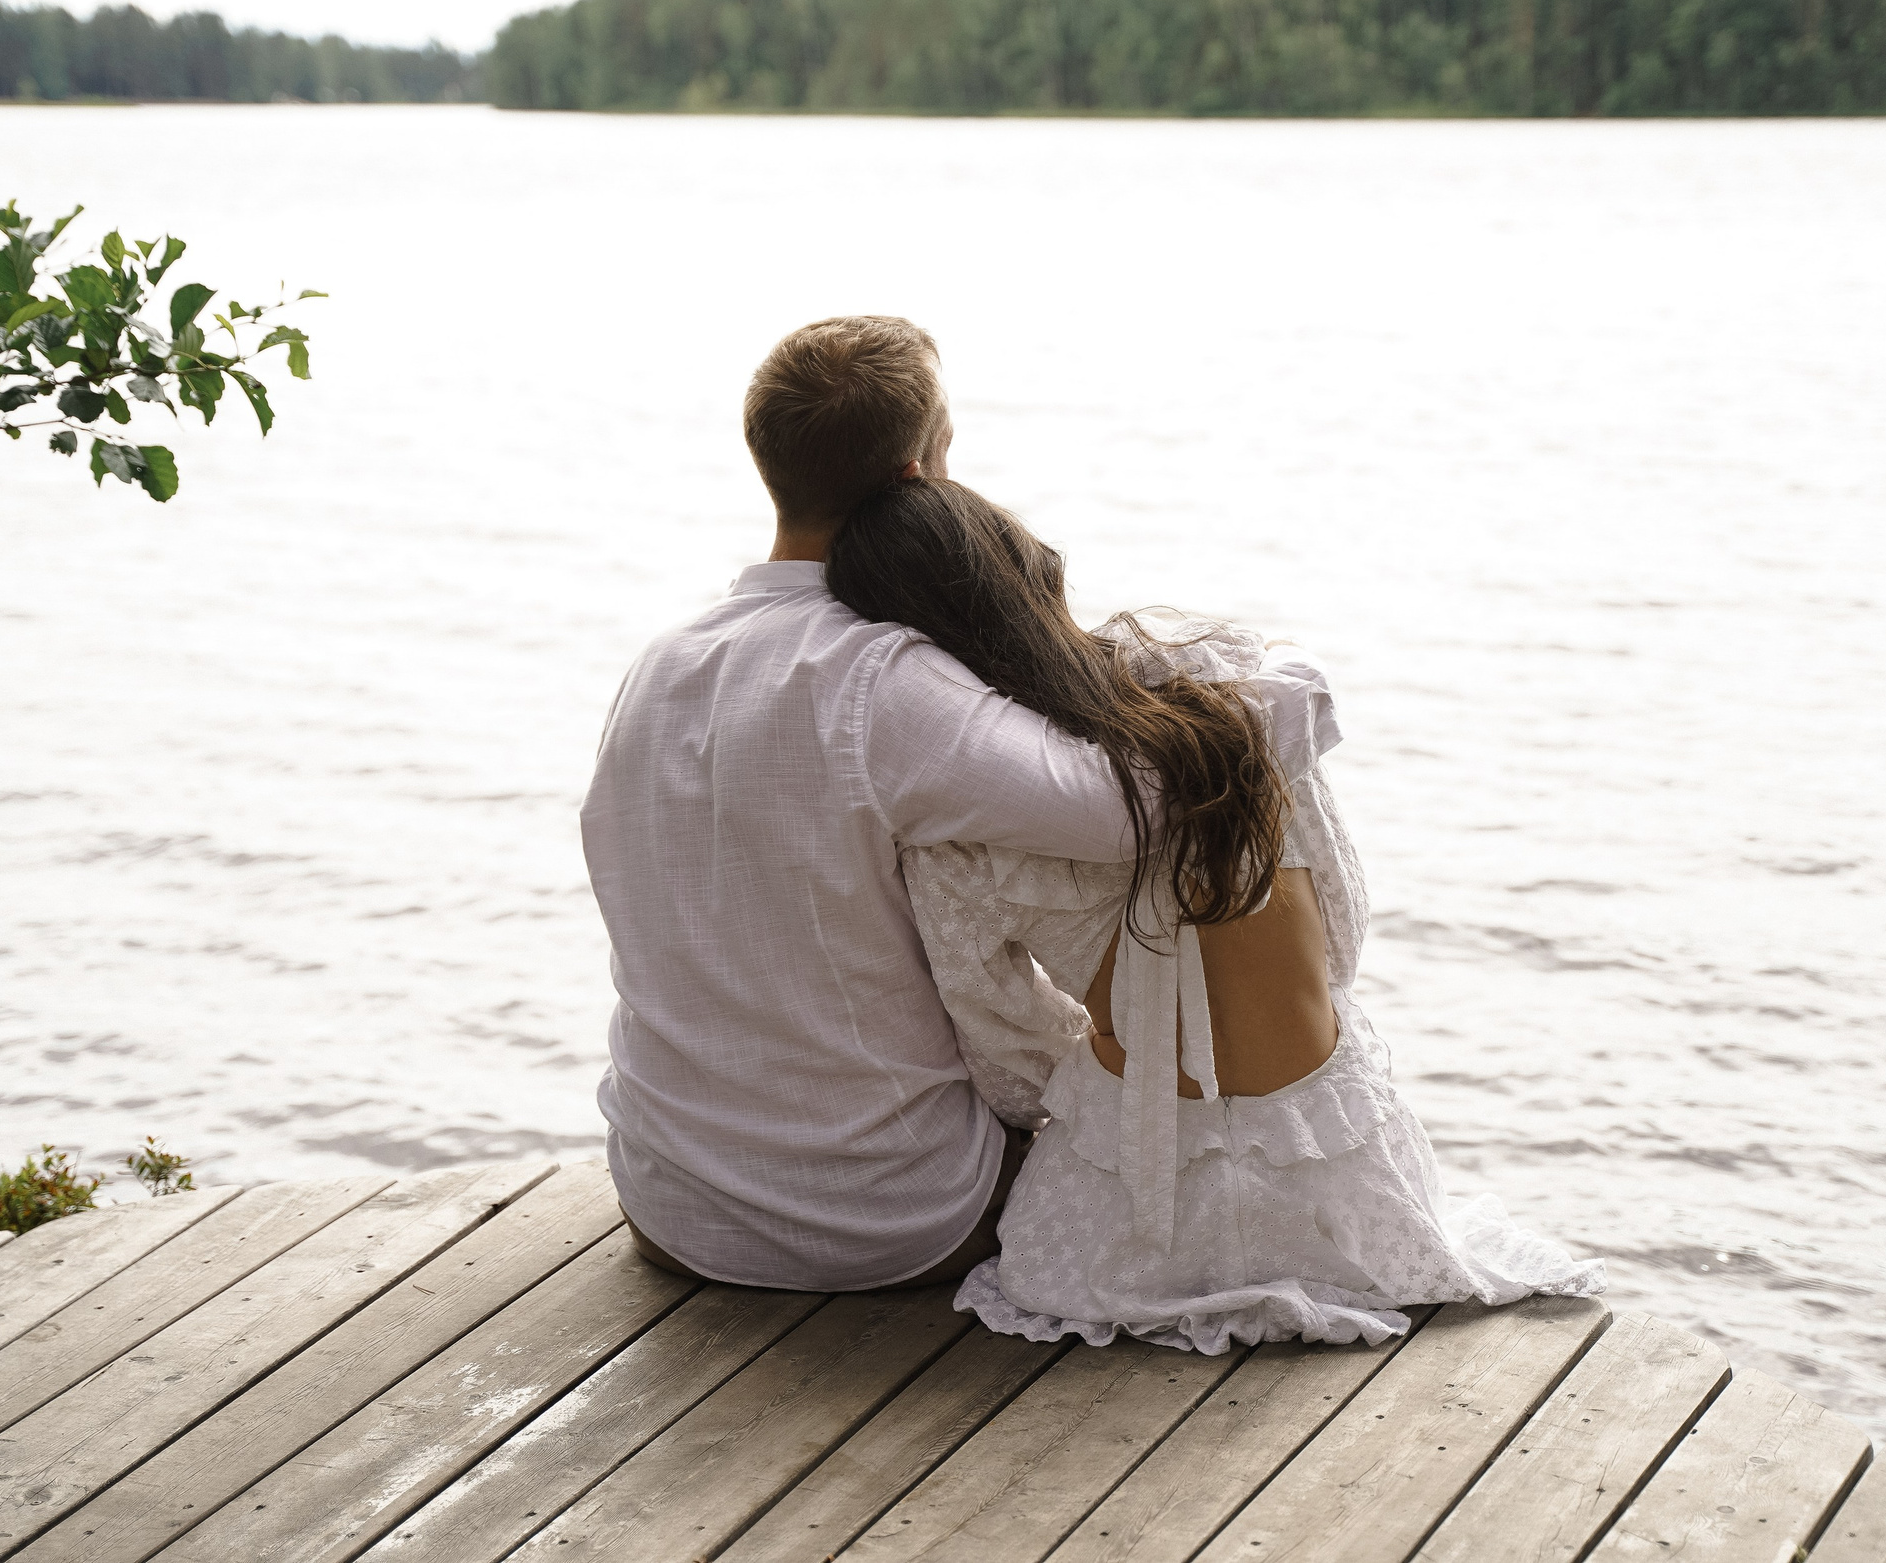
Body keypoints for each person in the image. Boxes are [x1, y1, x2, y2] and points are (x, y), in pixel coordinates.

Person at [580, 317, 1340, 1292]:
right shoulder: (878, 683)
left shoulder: (660, 666)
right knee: (1152, 1161)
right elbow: (1133, 811)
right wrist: (1274, 686)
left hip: (672, 1206)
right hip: (883, 1219)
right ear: (921, 469)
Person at [827, 478, 1604, 1349]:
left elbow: (1003, 1047)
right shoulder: (1223, 681)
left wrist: (1107, 1059)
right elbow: (1339, 928)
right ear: (1028, 568)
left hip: (1130, 1228)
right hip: (1343, 1188)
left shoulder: (955, 821)